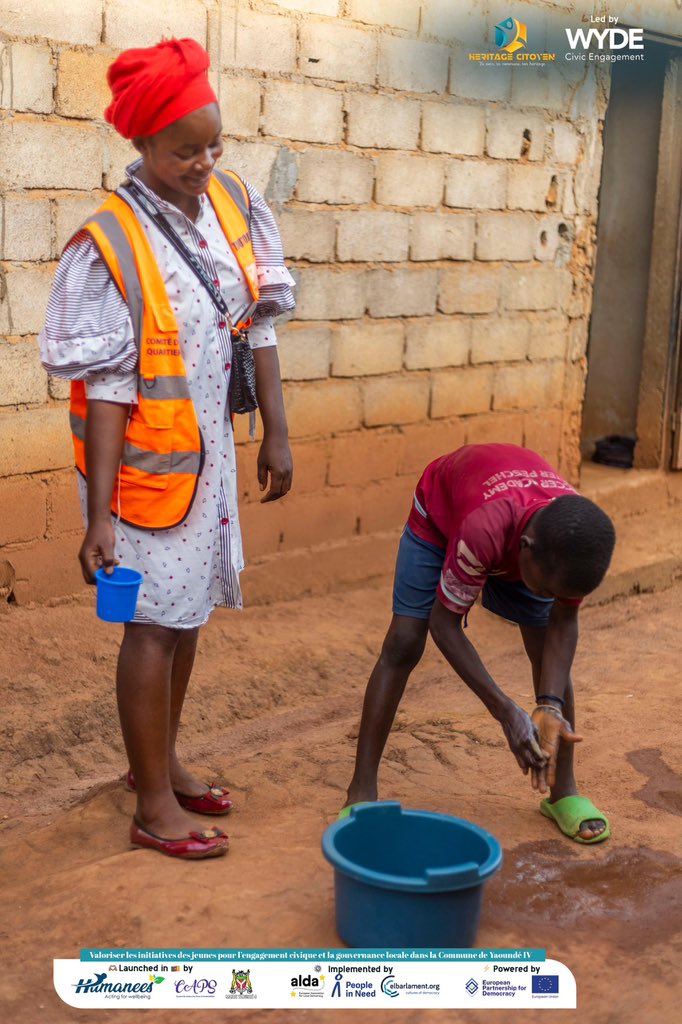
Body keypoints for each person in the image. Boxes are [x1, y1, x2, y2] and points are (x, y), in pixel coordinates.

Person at [39, 39, 295, 859]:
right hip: (145, 474)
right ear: (143, 145)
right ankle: (153, 805)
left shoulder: (231, 207)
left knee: (186, 618)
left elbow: (254, 320)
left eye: (214, 144)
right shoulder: (109, 241)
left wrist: (277, 431)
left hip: (208, 458)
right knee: (147, 626)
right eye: (185, 150)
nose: (204, 162)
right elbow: (108, 384)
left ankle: (163, 761)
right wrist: (101, 512)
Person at [343, 443, 616, 844]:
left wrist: (549, 705)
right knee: (404, 642)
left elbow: (563, 620)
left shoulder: (574, 537)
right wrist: (505, 710)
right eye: (541, 587)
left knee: (550, 663)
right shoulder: (484, 529)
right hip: (441, 516)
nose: (542, 594)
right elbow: (444, 623)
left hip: (514, 533)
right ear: (525, 550)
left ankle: (563, 791)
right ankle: (361, 791)